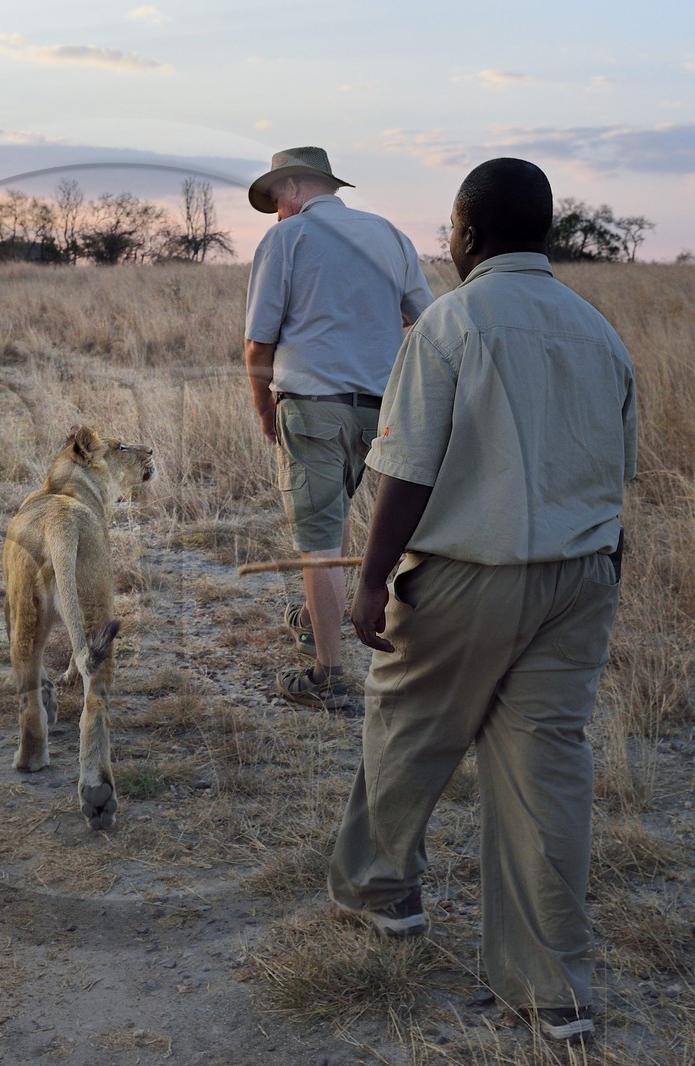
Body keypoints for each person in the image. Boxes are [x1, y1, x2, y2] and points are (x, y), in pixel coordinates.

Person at [328, 157, 637, 1045]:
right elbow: (617, 474)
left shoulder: (451, 323)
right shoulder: (597, 332)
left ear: (467, 233)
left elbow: (407, 470)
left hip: (468, 573)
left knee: (408, 725)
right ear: (544, 233)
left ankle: (380, 892)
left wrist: (372, 580)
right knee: (547, 774)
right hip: (581, 581)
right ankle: (555, 993)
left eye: (451, 230)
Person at [242, 146, 434, 712]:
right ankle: (311, 618)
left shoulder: (286, 240)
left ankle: (328, 674)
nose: (277, 211)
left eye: (277, 198)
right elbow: (427, 318)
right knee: (335, 516)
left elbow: (259, 340)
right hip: (383, 412)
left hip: (312, 408)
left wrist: (262, 407)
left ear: (296, 186)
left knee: (319, 539)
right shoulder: (390, 235)